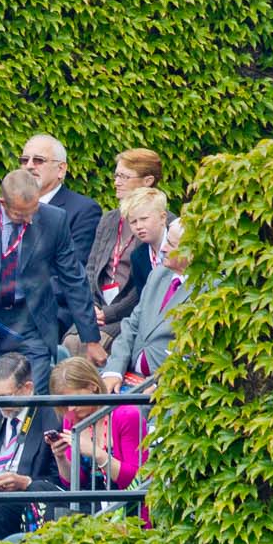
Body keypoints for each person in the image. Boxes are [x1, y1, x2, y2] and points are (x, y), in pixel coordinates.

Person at [0, 168, 98, 394]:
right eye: (19, 214)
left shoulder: (54, 219)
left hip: (31, 323)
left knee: (32, 403)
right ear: (1, 203)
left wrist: (90, 338)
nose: (28, 219)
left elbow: (74, 279)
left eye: (33, 211)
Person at [0, 352, 63, 538]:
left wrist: (25, 483)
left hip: (23, 499)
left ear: (27, 388)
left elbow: (60, 482)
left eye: (5, 396)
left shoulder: (52, 418)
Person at [78, 149, 164, 354]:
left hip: (125, 314)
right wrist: (92, 308)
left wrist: (109, 313)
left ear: (148, 180)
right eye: (116, 175)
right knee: (70, 342)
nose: (116, 182)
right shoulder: (109, 219)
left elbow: (144, 287)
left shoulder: (162, 222)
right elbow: (91, 268)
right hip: (97, 308)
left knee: (87, 346)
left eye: (124, 176)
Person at [48, 355, 145, 515]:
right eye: (65, 404)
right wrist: (60, 457)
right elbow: (75, 482)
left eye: (75, 400)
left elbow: (136, 479)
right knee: (39, 490)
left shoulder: (126, 415)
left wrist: (97, 453)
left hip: (125, 508)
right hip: (88, 504)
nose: (71, 409)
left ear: (93, 386)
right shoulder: (71, 418)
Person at [102, 218, 190, 389]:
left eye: (171, 245)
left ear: (191, 253)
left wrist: (162, 385)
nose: (163, 248)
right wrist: (113, 371)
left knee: (126, 415)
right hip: (129, 374)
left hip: (165, 385)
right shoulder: (158, 275)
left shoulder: (208, 290)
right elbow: (131, 325)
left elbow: (196, 353)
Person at [90, 189, 172, 364]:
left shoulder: (178, 246)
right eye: (133, 222)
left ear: (163, 217)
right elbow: (143, 302)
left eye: (144, 219)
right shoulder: (139, 256)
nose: (138, 226)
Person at [22, 133, 101, 267]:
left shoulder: (83, 210)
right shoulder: (11, 206)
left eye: (38, 160)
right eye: (24, 160)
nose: (29, 166)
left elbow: (73, 267)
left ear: (61, 169)